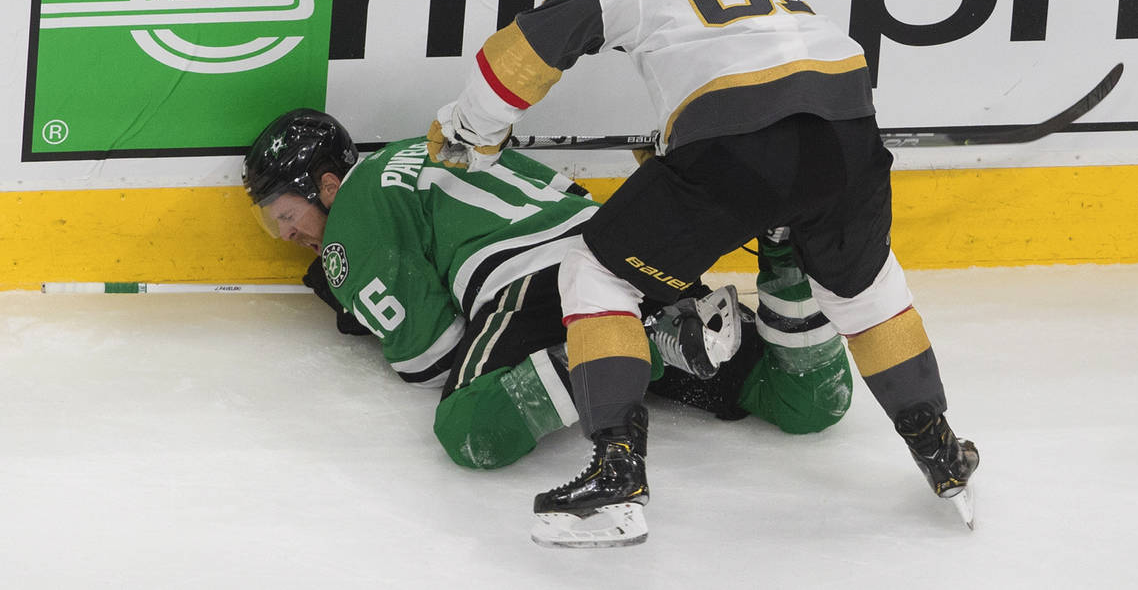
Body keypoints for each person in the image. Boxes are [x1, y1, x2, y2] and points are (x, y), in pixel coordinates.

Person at [426, 0, 978, 546]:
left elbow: (522, 57)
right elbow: (752, 53)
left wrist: (470, 128)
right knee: (865, 289)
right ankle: (940, 447)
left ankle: (616, 469)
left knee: (595, 272)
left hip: (737, 139)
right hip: (847, 120)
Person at [242, 108, 855, 473]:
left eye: (285, 213)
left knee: (469, 430)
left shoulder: (352, 212)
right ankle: (782, 247)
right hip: (620, 253)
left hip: (533, 281)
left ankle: (646, 347)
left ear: (325, 184)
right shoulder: (433, 145)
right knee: (806, 402)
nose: (288, 233)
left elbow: (429, 359)